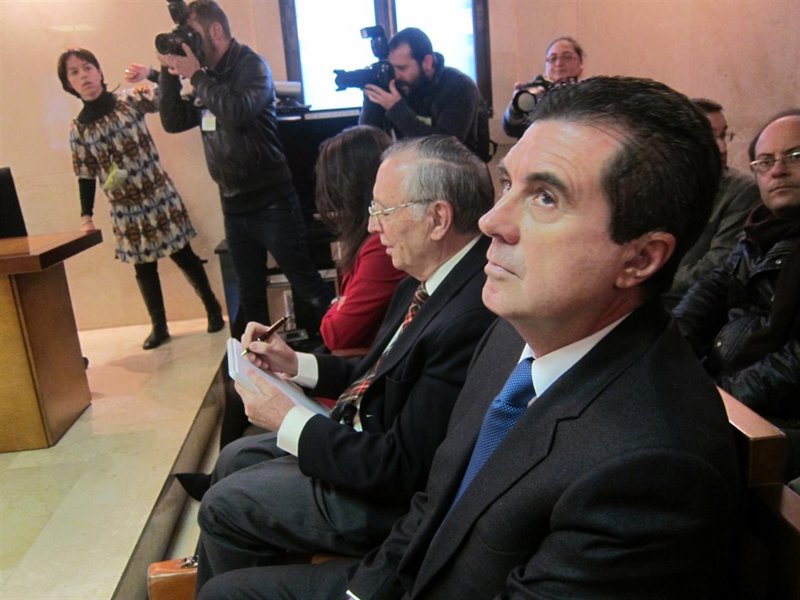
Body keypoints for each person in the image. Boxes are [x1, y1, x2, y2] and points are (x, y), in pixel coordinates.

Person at [197, 77, 741, 600]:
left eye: (545, 197)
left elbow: (409, 478)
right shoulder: (509, 335)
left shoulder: (653, 468)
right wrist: (362, 591)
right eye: (507, 185)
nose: (491, 221)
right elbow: (434, 502)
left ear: (640, 258)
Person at [193, 135, 497, 594]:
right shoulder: (424, 279)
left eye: (383, 211)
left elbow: (402, 470)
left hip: (387, 497)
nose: (373, 226)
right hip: (363, 440)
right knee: (236, 456)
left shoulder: (470, 313)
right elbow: (375, 376)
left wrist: (287, 418)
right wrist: (293, 363)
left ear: (438, 218)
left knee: (224, 503)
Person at [154, 0, 334, 337]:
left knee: (307, 285)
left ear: (216, 30)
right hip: (233, 204)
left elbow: (237, 112)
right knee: (250, 298)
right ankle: (258, 363)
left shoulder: (251, 66)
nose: (190, 42)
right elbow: (173, 121)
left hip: (272, 201)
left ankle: (343, 348)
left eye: (192, 34)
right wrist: (169, 70)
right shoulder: (208, 77)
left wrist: (196, 75)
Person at [57, 48, 223, 350]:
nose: (84, 76)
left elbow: (170, 95)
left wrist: (151, 73)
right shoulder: (78, 129)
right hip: (125, 208)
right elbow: (85, 173)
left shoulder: (129, 100)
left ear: (99, 71)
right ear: (68, 84)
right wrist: (86, 216)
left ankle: (212, 308)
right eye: (74, 72)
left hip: (158, 195)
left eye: (88, 67)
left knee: (183, 254)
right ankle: (159, 326)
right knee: (143, 268)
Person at [674, 108, 800, 480]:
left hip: (780, 417)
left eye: (795, 156)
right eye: (765, 162)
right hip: (729, 395)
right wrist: (669, 355)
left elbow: (794, 362)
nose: (778, 170)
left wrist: (718, 398)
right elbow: (704, 297)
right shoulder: (756, 235)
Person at [663, 97, 761, 308]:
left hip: (692, 309)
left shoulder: (742, 192)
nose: (722, 148)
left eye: (724, 135)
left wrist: (646, 280)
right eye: (709, 136)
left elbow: (717, 267)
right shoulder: (656, 185)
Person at [315, 126, 406, 352]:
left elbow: (336, 334)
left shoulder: (381, 246)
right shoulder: (368, 240)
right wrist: (340, 304)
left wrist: (338, 304)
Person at [358, 27, 481, 157]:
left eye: (402, 68)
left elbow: (446, 148)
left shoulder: (459, 86)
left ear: (427, 62)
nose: (396, 75)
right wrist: (373, 98)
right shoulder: (400, 85)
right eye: (393, 68)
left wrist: (396, 110)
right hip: (411, 165)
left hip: (458, 167)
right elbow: (366, 139)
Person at [501, 35, 584, 138]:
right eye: (553, 58)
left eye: (567, 57)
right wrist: (516, 107)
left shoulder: (587, 93)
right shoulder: (534, 92)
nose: (558, 63)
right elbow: (511, 129)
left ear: (580, 63)